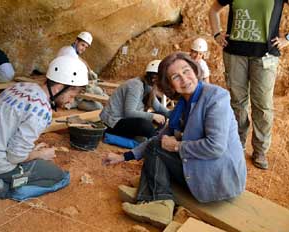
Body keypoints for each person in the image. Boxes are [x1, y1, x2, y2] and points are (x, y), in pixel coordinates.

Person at [103, 52, 246, 227]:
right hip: (205, 164)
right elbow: (161, 136)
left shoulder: (216, 97)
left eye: (186, 71)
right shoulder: (183, 104)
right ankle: (149, 197)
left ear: (195, 70)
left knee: (157, 147)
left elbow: (215, 147)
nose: (184, 79)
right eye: (176, 77)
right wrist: (124, 157)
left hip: (219, 176)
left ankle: (158, 203)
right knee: (157, 143)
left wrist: (177, 146)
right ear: (169, 84)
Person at [0, 56, 89, 200]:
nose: (71, 101)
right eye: (72, 95)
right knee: (60, 177)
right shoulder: (41, 111)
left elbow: (7, 130)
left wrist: (30, 150)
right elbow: (15, 157)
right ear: (60, 87)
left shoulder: (20, 87)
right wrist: (40, 155)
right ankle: (3, 188)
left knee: (23, 158)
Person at [209, 0, 289, 170]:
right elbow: (213, 11)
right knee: (237, 102)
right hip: (234, 54)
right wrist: (217, 34)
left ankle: (260, 150)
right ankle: (237, 142)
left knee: (262, 105)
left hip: (265, 55)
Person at [100, 60, 170, 140]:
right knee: (146, 125)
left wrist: (175, 115)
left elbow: (158, 107)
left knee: (162, 115)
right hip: (113, 122)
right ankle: (152, 139)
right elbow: (129, 113)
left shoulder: (149, 86)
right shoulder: (135, 85)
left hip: (127, 120)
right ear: (154, 78)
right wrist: (153, 116)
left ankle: (148, 136)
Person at [57, 31, 106, 111]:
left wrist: (90, 70)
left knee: (98, 92)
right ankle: (74, 102)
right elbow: (75, 76)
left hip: (66, 85)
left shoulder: (67, 49)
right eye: (82, 45)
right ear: (76, 41)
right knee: (98, 103)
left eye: (86, 47)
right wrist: (88, 83)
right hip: (64, 89)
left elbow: (81, 60)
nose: (83, 49)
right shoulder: (70, 53)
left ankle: (75, 101)